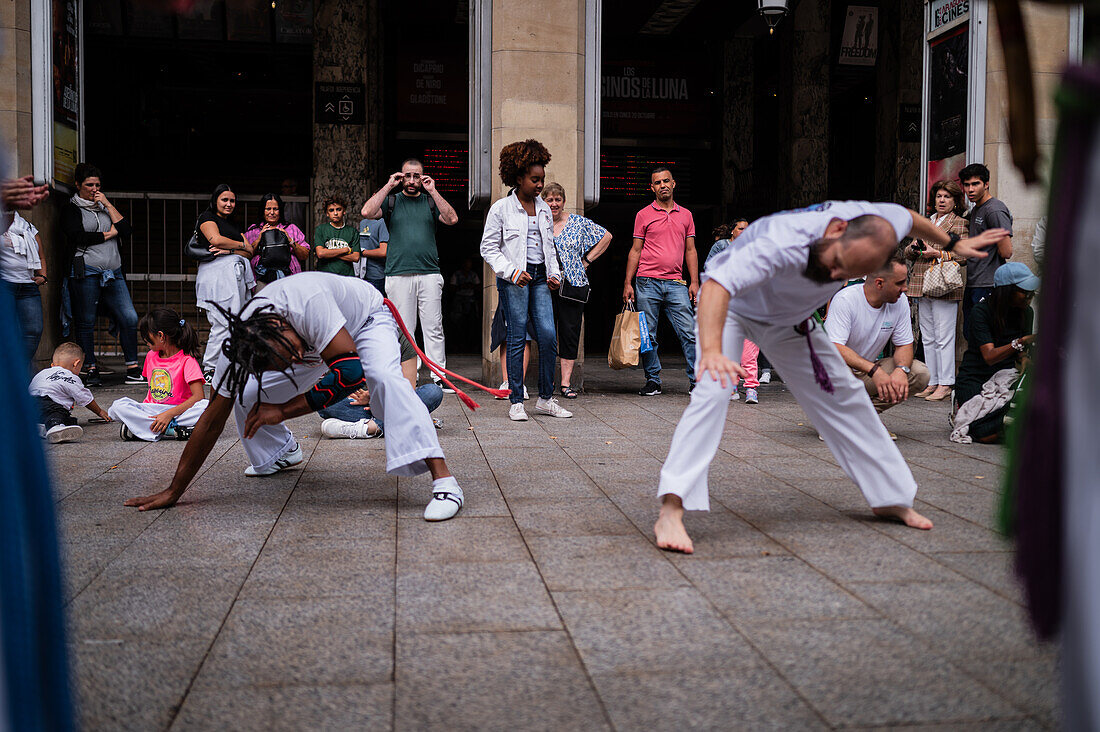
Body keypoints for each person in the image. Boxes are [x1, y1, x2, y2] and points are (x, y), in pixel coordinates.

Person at [652, 200, 1009, 554]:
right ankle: (671, 509)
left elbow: (911, 218)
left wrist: (953, 245)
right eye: (838, 263)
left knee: (845, 396)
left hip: (789, 319)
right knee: (713, 392)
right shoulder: (781, 241)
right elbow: (717, 287)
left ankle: (890, 497)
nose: (837, 275)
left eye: (847, 274)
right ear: (837, 230)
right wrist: (713, 352)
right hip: (731, 308)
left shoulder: (876, 223)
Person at [123, 272, 465, 522]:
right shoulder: (236, 352)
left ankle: (444, 481)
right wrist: (175, 489)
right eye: (284, 363)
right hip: (316, 344)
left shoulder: (306, 299)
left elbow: (349, 373)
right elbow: (212, 421)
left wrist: (283, 410)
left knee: (386, 380)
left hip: (364, 322)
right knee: (243, 392)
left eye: (290, 353)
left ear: (280, 323)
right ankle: (280, 452)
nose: (296, 362)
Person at [479, 139, 572, 422]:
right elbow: (488, 247)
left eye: (542, 179)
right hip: (515, 279)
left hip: (541, 277)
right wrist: (511, 272)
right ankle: (516, 400)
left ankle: (545, 398)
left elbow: (549, 246)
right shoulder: (501, 209)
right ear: (518, 178)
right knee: (517, 336)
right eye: (534, 179)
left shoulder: (544, 208)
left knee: (547, 335)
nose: (540, 185)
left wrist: (555, 274)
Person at [361, 158, 460, 389]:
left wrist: (433, 190)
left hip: (429, 273)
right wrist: (388, 185)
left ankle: (439, 377)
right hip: (398, 273)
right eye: (408, 176)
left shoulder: (430, 201)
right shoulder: (392, 200)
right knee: (404, 329)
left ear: (423, 177)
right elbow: (367, 211)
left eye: (417, 176)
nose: (412, 180)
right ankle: (408, 377)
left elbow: (453, 219)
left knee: (433, 327)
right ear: (401, 177)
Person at [825, 253, 931, 434]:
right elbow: (834, 347)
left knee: (919, 373)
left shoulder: (900, 302)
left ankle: (863, 419)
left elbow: (904, 344)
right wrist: (874, 370)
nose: (905, 288)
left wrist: (901, 370)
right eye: (899, 283)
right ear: (879, 283)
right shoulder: (846, 299)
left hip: (863, 374)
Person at [60, 163, 142, 386]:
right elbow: (77, 236)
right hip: (86, 271)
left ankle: (133, 368)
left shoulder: (104, 206)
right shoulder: (71, 208)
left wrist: (106, 203)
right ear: (78, 185)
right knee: (85, 321)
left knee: (129, 317)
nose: (94, 189)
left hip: (112, 272)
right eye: (89, 185)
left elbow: (126, 230)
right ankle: (91, 368)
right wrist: (108, 235)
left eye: (97, 185)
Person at [624, 166, 699, 395]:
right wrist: (628, 283)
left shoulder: (685, 215)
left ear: (673, 183)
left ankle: (698, 382)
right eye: (658, 182)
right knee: (648, 335)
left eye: (666, 181)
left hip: (676, 283)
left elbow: (690, 250)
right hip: (647, 282)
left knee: (689, 332)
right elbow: (635, 250)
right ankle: (653, 380)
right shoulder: (643, 215)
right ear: (652, 187)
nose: (663, 185)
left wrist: (694, 282)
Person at [953, 262, 1037, 444]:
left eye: (1031, 292)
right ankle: (1002, 425)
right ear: (1007, 291)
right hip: (975, 376)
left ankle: (1005, 425)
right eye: (1023, 291)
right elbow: (989, 356)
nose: (1029, 296)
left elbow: (1020, 351)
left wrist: (1024, 359)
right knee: (982, 433)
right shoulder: (981, 312)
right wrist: (1021, 342)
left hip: (1005, 375)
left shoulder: (1026, 312)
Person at [542, 182, 612, 398]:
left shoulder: (577, 222)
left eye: (557, 199)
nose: (554, 204)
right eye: (549, 200)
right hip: (544, 286)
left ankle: (565, 384)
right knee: (544, 333)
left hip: (573, 284)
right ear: (543, 202)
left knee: (570, 332)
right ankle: (545, 382)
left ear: (563, 201)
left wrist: (586, 261)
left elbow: (606, 236)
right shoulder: (538, 223)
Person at [320, 326, 444, 438]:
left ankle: (371, 427)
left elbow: (407, 392)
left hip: (394, 402)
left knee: (433, 392)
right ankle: (410, 421)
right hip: (359, 404)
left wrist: (374, 397)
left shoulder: (402, 338)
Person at [907, 180, 968, 402]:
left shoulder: (959, 223)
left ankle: (946, 383)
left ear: (955, 201)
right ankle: (932, 382)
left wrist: (938, 254)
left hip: (944, 284)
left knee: (944, 336)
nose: (941, 200)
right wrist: (915, 248)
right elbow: (908, 249)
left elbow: (963, 254)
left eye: (947, 197)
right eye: (939, 196)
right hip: (922, 283)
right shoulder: (928, 221)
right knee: (929, 337)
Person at [108, 308, 209, 442]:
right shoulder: (151, 356)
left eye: (148, 340)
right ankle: (170, 430)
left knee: (206, 407)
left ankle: (141, 428)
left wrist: (169, 414)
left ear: (161, 336)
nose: (146, 343)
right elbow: (150, 392)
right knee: (116, 407)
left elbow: (198, 397)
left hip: (178, 411)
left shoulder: (187, 360)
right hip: (152, 410)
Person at [194, 183, 255, 379]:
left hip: (234, 278)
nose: (229, 204)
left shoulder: (233, 224)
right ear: (215, 200)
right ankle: (210, 368)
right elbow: (216, 240)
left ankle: (233, 366)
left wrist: (231, 250)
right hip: (216, 277)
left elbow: (250, 251)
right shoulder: (207, 218)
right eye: (225, 200)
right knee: (221, 323)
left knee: (237, 322)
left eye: (232, 200)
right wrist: (239, 245)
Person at [706, 219, 759, 404]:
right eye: (741, 229)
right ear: (732, 231)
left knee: (749, 351)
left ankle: (751, 387)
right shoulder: (722, 246)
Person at [959, 163, 1014, 338]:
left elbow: (1006, 251)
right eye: (966, 185)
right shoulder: (976, 209)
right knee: (971, 335)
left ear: (986, 184)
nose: (970, 189)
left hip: (989, 284)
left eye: (975, 184)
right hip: (975, 282)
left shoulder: (994, 209)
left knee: (985, 337)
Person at [28, 341, 112, 443]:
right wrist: (100, 411)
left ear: (52, 365)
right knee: (58, 413)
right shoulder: (70, 376)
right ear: (76, 364)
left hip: (29, 404)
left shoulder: (42, 372)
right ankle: (55, 427)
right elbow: (85, 397)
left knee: (70, 420)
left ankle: (38, 427)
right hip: (50, 405)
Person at [1, 209, 47, 360]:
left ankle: (18, 369)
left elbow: (40, 255)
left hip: (28, 286)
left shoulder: (27, 227)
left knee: (33, 331)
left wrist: (42, 275)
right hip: (5, 285)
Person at [244, 193, 310, 286]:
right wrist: (259, 238)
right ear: (263, 211)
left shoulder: (291, 228)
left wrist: (290, 240)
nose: (272, 212)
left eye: (275, 209)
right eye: (268, 209)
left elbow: (305, 255)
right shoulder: (254, 230)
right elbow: (245, 255)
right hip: (260, 278)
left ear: (280, 211)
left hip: (288, 278)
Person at [313, 194, 360, 277]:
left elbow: (355, 257)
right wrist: (345, 250)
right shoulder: (321, 229)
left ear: (344, 211)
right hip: (325, 276)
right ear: (327, 213)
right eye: (331, 210)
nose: (335, 213)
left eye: (338, 209)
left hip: (346, 277)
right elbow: (320, 253)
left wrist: (329, 253)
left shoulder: (352, 231)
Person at [354, 214, 391, 296]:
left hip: (376, 275)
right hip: (362, 274)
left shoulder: (382, 222)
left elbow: (383, 251)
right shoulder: (363, 222)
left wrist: (363, 253)